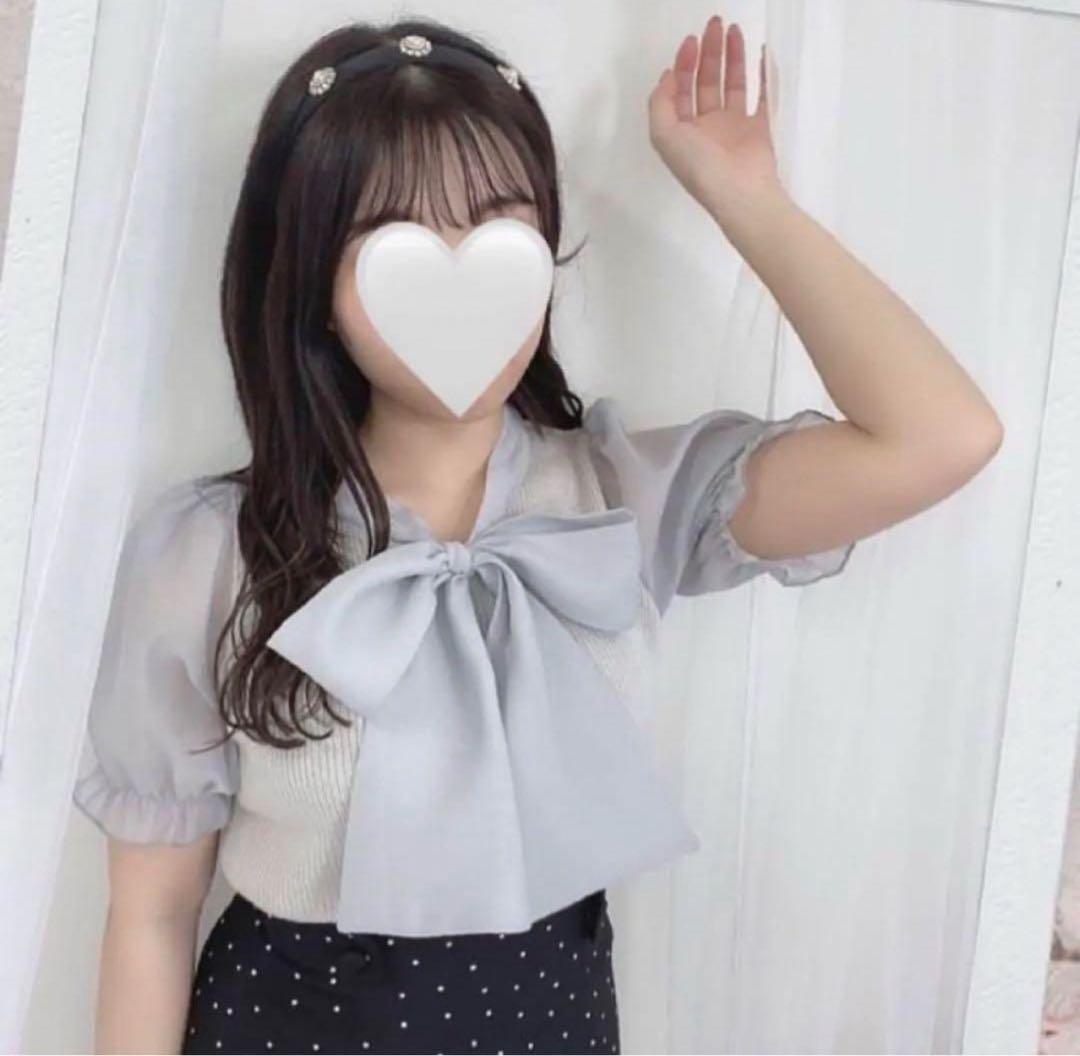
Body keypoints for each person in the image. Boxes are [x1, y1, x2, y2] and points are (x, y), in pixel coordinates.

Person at [72, 13, 1003, 1056]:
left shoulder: (624, 498)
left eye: (500, 228)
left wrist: (745, 194)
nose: (459, 277)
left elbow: (939, 437)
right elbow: (150, 917)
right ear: (316, 282)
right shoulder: (212, 551)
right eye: (395, 240)